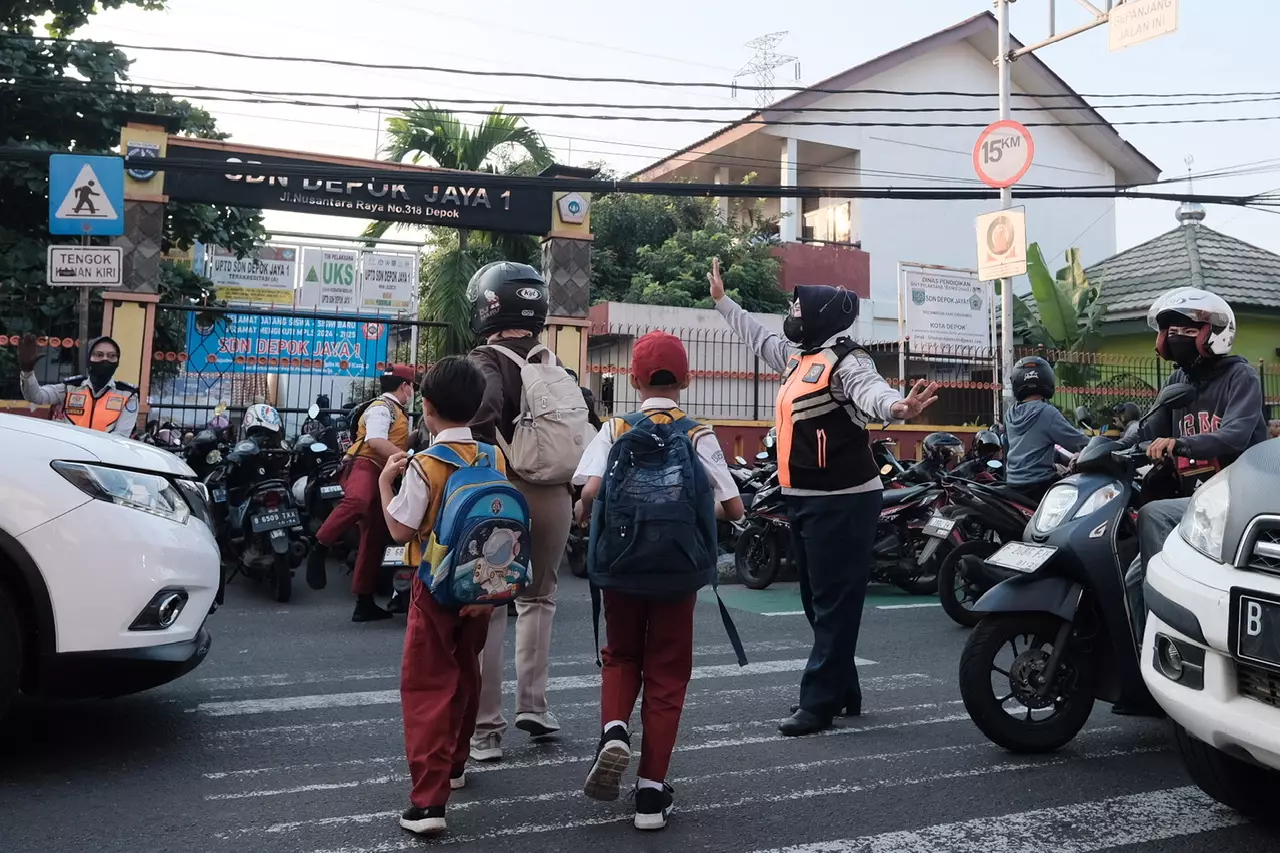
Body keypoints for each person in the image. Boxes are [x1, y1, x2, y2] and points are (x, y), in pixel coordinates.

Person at [710, 258, 939, 736]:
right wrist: (722, 301)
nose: (792, 313)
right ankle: (844, 689)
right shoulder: (798, 357)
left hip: (843, 499)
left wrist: (898, 406)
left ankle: (816, 704)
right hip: (804, 496)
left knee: (833, 600)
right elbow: (759, 338)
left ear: (822, 316)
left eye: (798, 307)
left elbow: (872, 391)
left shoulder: (848, 360)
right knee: (818, 600)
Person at [573, 331, 744, 830]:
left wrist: (590, 512)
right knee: (667, 672)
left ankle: (614, 730)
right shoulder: (699, 433)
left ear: (634, 378)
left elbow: (589, 491)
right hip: (677, 570)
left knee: (622, 654)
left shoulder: (615, 427)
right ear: (687, 379)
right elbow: (732, 508)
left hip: (621, 566)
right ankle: (651, 794)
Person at [1121, 288, 1266, 703]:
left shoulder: (1241, 377)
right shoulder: (1178, 381)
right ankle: (1151, 669)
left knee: (1153, 518)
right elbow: (1148, 431)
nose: (1173, 336)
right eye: (1169, 329)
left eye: (1185, 327)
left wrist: (1183, 445)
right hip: (1193, 508)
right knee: (1133, 578)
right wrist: (1109, 445)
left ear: (1214, 332)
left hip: (1233, 505)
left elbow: (1236, 433)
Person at [377, 357, 499, 837]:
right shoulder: (493, 457)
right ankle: (456, 764)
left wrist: (387, 480)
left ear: (425, 408)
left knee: (428, 686)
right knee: (467, 674)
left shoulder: (425, 465)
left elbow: (398, 529)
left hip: (434, 586)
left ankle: (428, 804)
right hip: (483, 586)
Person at [466, 261, 575, 761]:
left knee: (491, 607)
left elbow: (481, 418)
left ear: (489, 305)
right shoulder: (556, 364)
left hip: (504, 492)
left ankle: (486, 731)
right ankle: (534, 704)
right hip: (556, 493)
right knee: (540, 597)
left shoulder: (486, 360)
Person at [306, 364, 416, 622]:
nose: (412, 392)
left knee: (375, 534)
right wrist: (411, 459)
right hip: (366, 465)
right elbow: (375, 442)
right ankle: (319, 545)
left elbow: (392, 440)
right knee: (358, 501)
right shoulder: (382, 407)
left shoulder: (395, 411)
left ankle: (364, 602)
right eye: (412, 387)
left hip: (382, 474)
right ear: (405, 386)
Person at [17, 333, 138, 437]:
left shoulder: (128, 395)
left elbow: (121, 436)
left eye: (112, 356)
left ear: (117, 362)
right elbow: (36, 396)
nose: (105, 360)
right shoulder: (70, 388)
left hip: (103, 458)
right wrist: (27, 372)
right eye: (99, 355)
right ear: (89, 359)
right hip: (69, 454)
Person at [1003, 356, 1089, 502]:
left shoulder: (1010, 413)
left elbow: (1030, 446)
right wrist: (1100, 445)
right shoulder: (1046, 412)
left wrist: (1061, 457)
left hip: (1014, 484)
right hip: (1040, 485)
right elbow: (1078, 442)